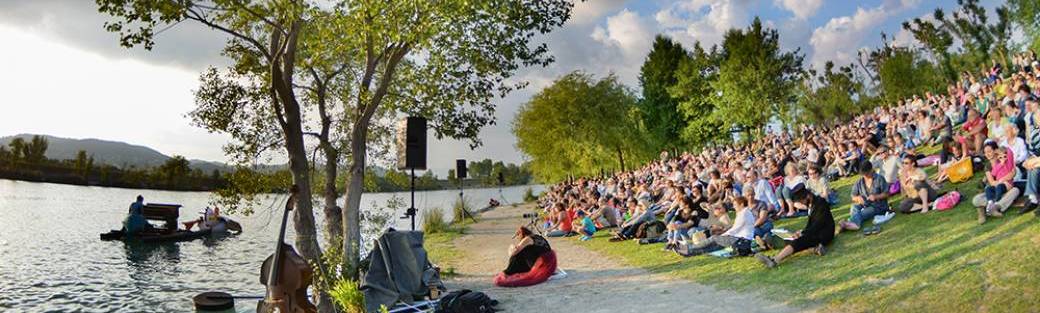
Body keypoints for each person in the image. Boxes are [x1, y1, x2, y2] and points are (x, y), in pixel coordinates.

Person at [755, 184, 835, 268]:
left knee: (798, 241)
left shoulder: (821, 204)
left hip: (824, 234)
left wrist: (803, 233)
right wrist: (802, 231)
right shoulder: (812, 204)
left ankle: (775, 260)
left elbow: (818, 224)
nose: (801, 203)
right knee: (793, 238)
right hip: (817, 232)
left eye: (801, 200)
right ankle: (815, 249)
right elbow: (811, 223)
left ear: (808, 196)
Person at [973, 141, 1018, 224]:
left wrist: (1004, 181)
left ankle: (992, 207)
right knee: (976, 199)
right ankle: (991, 207)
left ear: (995, 151)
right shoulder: (988, 166)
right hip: (993, 191)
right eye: (985, 152)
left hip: (1007, 188)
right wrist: (1002, 181)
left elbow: (1013, 173)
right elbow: (992, 182)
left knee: (1016, 190)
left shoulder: (1003, 158)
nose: (987, 154)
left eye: (989, 151)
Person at [839, 162, 891, 233]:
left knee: (863, 213)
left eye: (866, 174)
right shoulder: (860, 182)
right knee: (854, 207)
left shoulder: (879, 179)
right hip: (865, 204)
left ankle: (853, 224)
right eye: (863, 175)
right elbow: (853, 196)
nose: (865, 176)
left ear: (871, 170)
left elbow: (887, 194)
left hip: (878, 206)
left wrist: (876, 196)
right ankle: (851, 224)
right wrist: (857, 198)